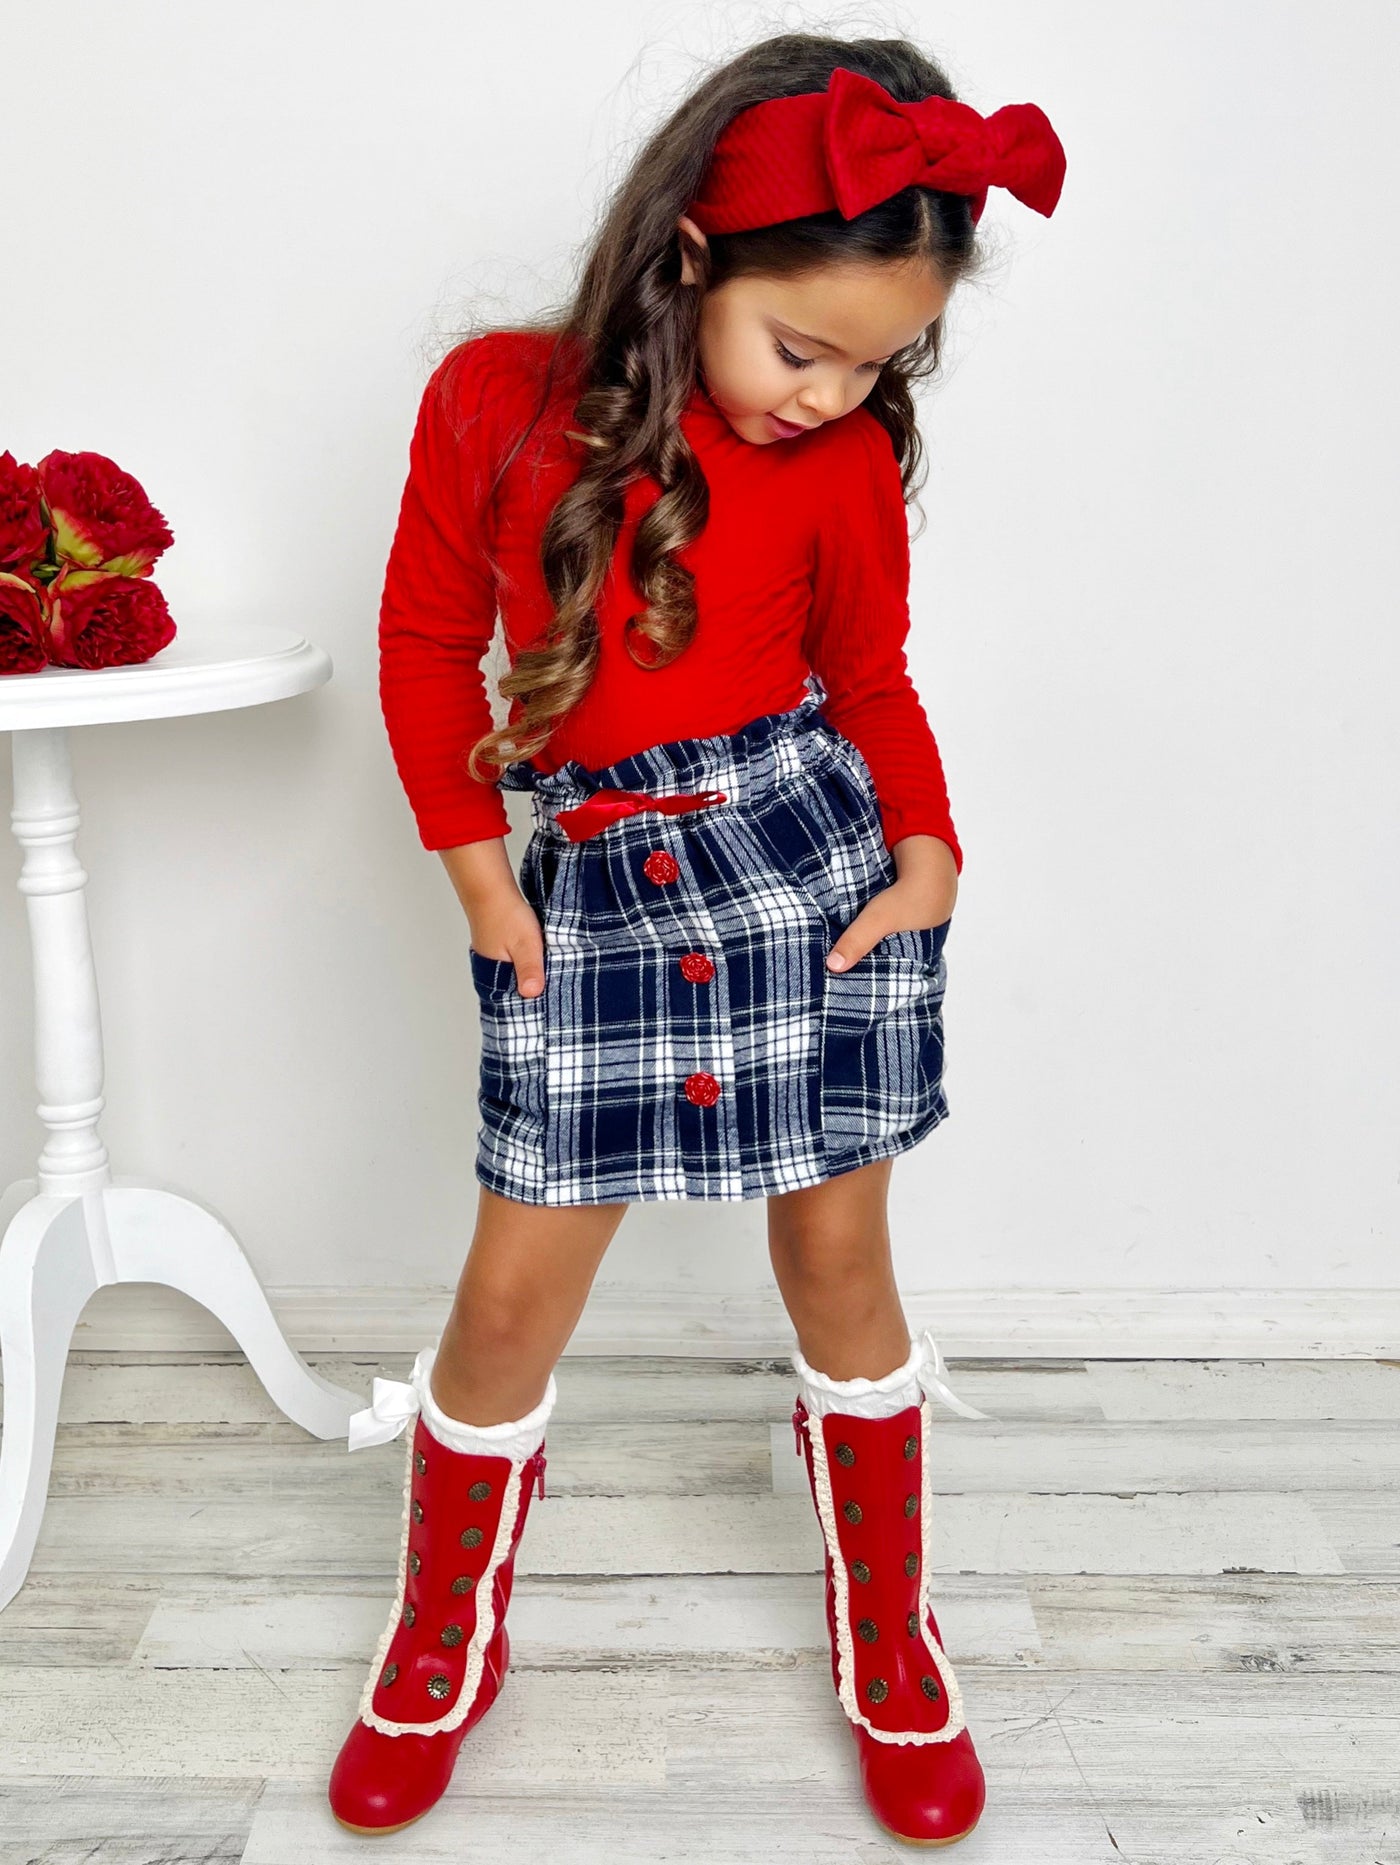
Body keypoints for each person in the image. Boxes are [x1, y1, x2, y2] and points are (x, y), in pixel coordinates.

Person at [326, 34, 1065, 1846]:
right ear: (687, 258)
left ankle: (890, 1636)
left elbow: (870, 678)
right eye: (803, 348)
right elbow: (423, 643)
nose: (833, 395)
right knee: (510, 1293)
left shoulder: (841, 463)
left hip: (809, 868)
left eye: (876, 363)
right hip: (592, 888)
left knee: (838, 1256)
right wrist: (482, 880)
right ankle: (444, 1634)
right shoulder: (495, 402)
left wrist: (929, 850)